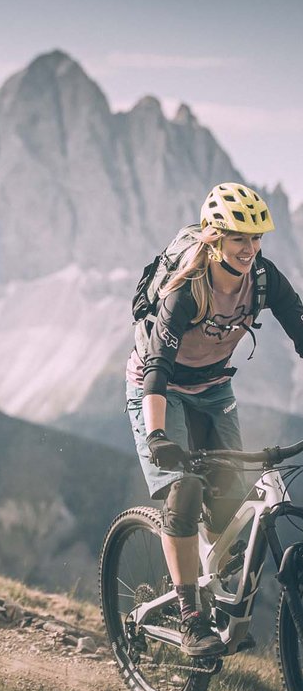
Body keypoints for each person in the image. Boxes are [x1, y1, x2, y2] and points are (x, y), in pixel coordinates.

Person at [126, 182, 303, 656]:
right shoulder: (186, 290)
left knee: (227, 512)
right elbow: (157, 368)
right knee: (183, 491)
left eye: (257, 238)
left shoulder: (263, 279)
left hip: (213, 388)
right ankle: (190, 617)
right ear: (214, 237)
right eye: (239, 238)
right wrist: (159, 433)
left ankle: (213, 583)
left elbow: (301, 328)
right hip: (157, 390)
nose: (251, 249)